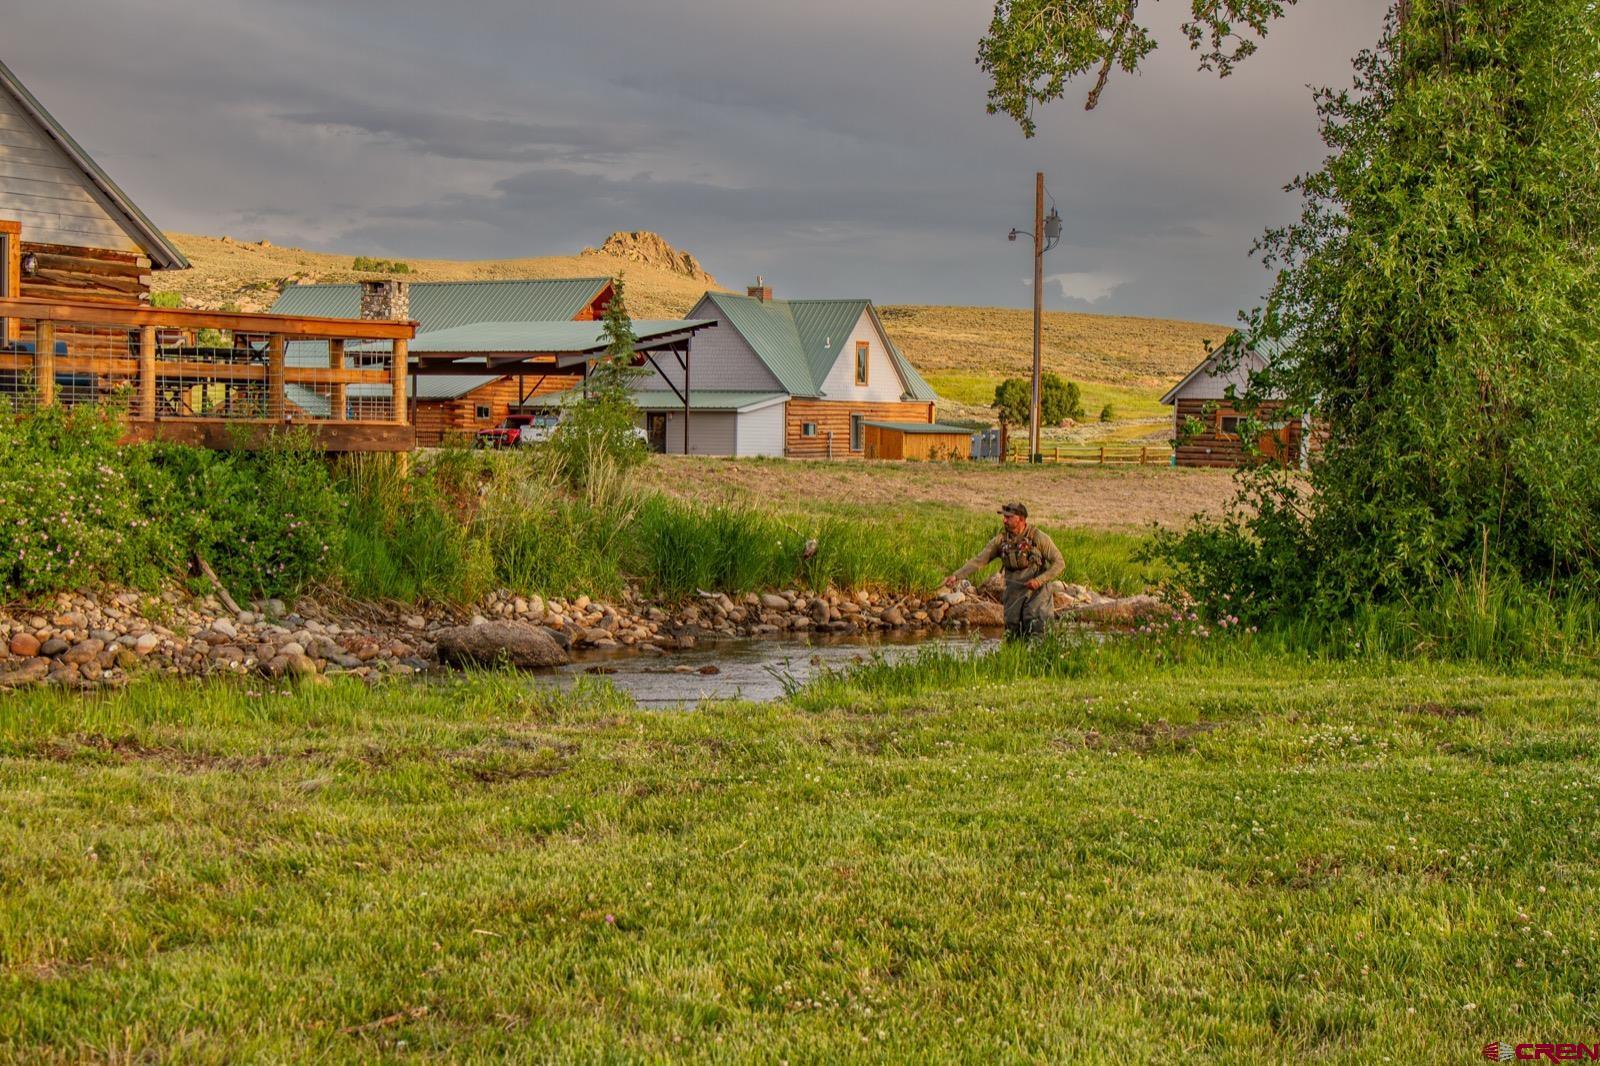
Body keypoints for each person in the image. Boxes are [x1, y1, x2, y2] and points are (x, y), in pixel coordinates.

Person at [944, 502, 1064, 639]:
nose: (1004, 520)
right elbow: (979, 561)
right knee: (1012, 632)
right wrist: (956, 576)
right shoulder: (1000, 541)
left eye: (1008, 517)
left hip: (1038, 592)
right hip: (1013, 591)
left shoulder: (1038, 537)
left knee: (1037, 626)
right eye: (1004, 517)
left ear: (1021, 519)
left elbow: (1059, 563)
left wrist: (1039, 581)